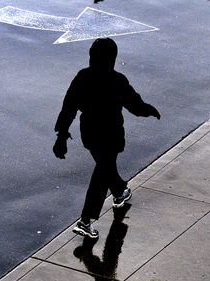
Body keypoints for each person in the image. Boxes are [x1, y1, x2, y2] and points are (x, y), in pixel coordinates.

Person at [53, 37, 161, 239]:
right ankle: (85, 220)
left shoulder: (82, 77)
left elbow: (68, 107)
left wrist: (62, 136)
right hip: (111, 133)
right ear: (113, 59)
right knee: (102, 172)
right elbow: (134, 105)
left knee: (105, 167)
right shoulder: (117, 80)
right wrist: (149, 110)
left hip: (90, 132)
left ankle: (120, 191)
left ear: (91, 57)